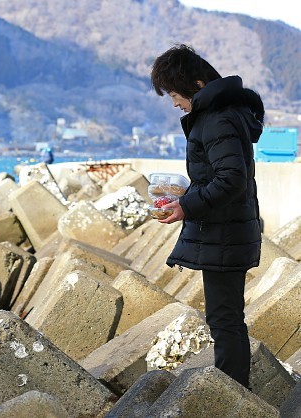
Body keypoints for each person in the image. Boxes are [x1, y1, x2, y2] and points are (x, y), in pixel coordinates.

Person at [150, 44, 264, 389]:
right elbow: (225, 175)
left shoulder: (215, 119)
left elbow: (231, 179)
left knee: (225, 321)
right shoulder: (224, 115)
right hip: (227, 231)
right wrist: (189, 194)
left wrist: (187, 206)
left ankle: (234, 397)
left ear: (197, 85)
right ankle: (234, 393)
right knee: (226, 319)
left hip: (225, 234)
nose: (173, 102)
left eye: (173, 93)